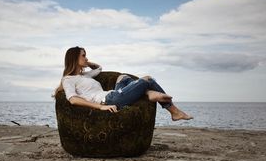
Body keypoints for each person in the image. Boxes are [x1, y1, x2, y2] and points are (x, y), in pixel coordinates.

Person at [55, 46, 193, 121]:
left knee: (123, 77)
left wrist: (86, 62)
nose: (86, 58)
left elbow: (99, 68)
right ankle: (174, 112)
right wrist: (99, 107)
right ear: (74, 58)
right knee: (148, 79)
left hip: (112, 95)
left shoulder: (83, 75)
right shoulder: (68, 79)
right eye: (83, 55)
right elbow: (72, 99)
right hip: (108, 100)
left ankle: (148, 93)